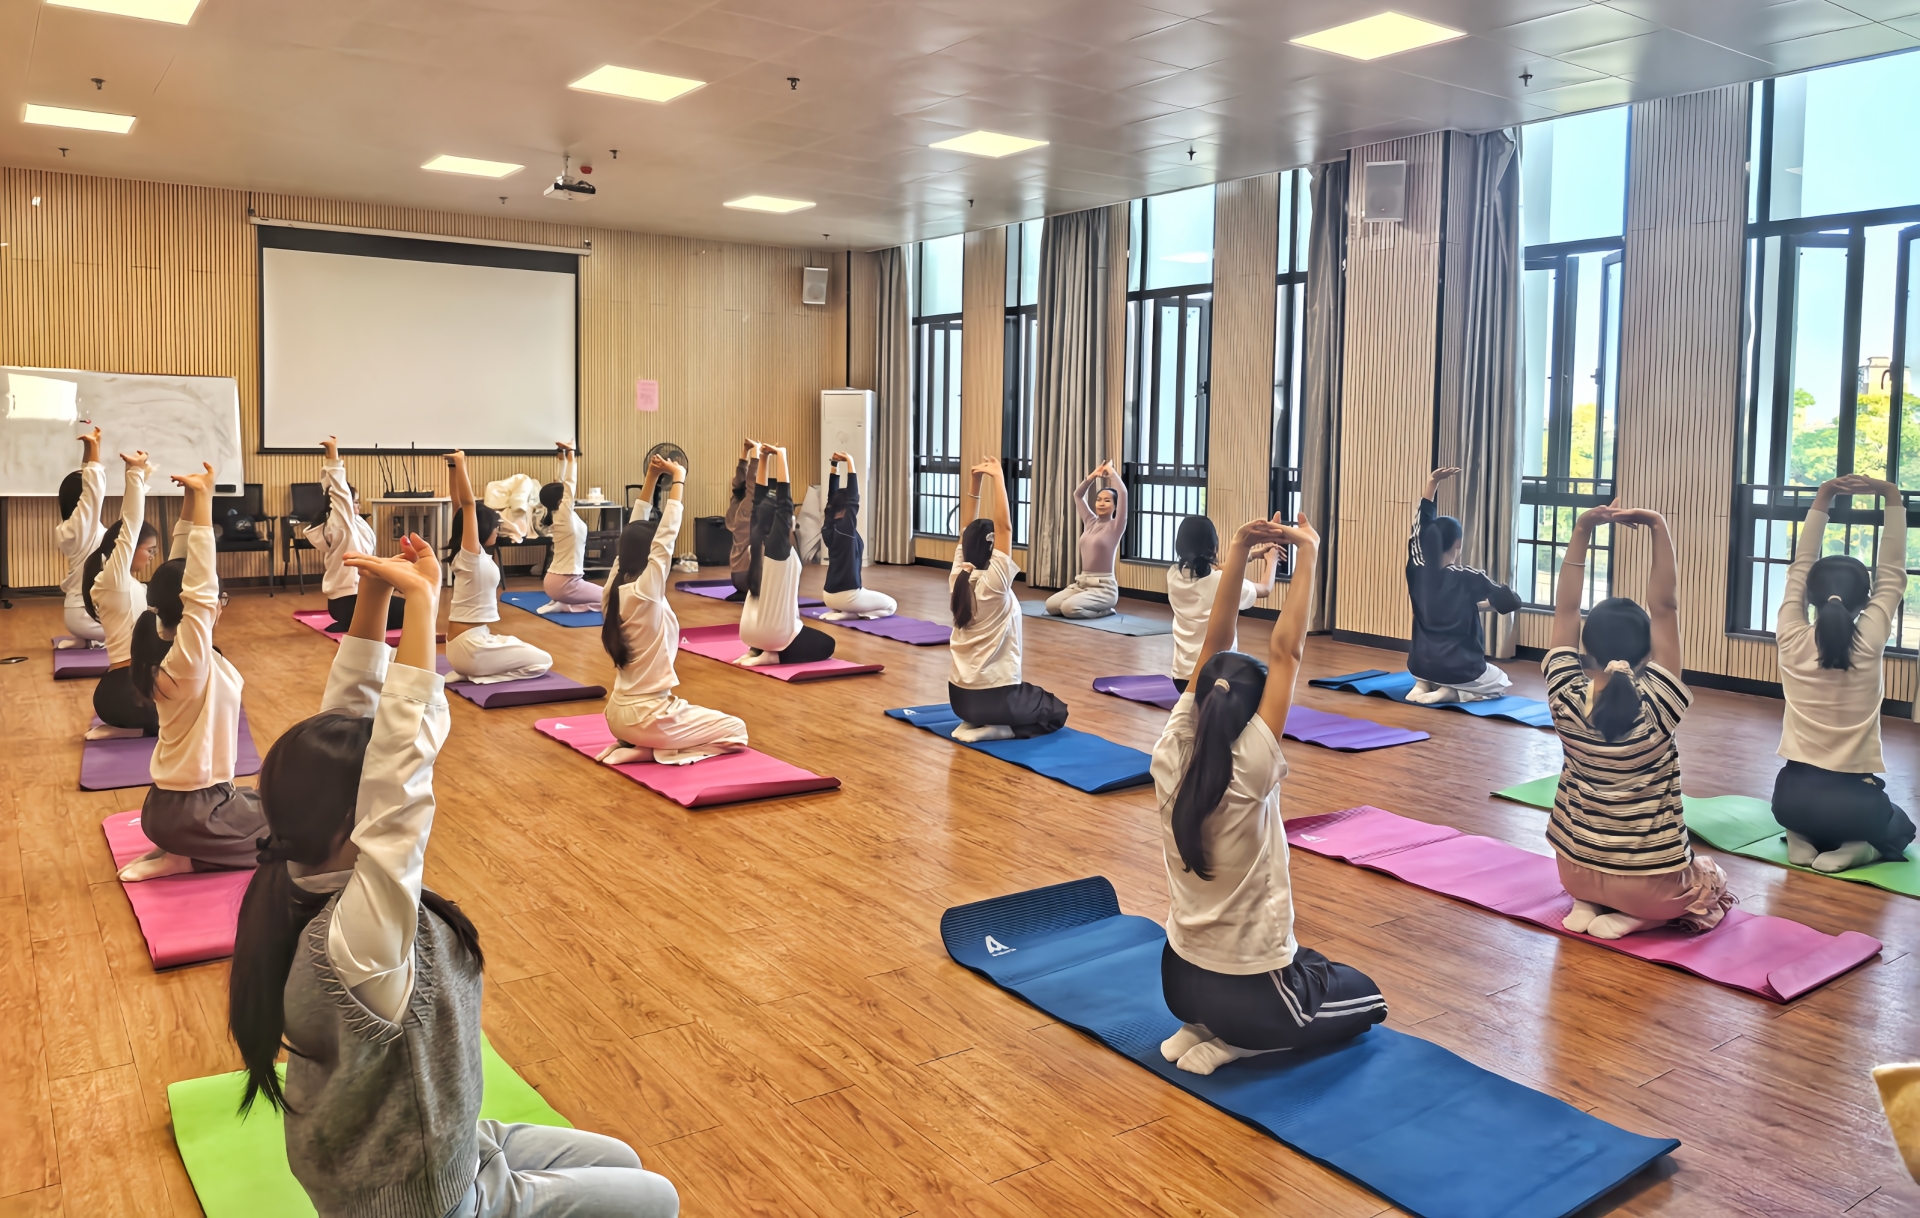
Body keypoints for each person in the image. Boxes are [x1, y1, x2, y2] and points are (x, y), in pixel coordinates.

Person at [226, 538, 680, 1218]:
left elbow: (349, 729)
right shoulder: (359, 934)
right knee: (657, 1199)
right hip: (417, 1196)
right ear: (360, 815)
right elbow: (401, 771)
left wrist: (377, 596)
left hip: (432, 1137)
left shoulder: (305, 865)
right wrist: (422, 604)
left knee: (621, 1161)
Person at [1153, 510, 1388, 1076]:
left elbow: (1215, 643)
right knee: (1367, 996)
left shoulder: (1169, 751)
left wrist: (1238, 549)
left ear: (1200, 703)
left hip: (1178, 978)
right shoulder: (1251, 767)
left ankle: (1198, 1027)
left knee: (1310, 963)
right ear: (1252, 716)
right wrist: (1309, 550)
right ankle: (1240, 1042)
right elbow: (1288, 652)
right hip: (1249, 996)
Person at [1545, 502, 1734, 939]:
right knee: (1711, 876)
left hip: (1574, 872)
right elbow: (1665, 607)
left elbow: (1566, 609)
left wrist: (1582, 530)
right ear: (1648, 651)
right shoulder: (1659, 702)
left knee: (1598, 870)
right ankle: (1639, 917)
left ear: (1584, 648)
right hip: (1649, 887)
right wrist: (1658, 527)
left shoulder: (1564, 695)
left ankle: (1588, 904)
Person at [118, 462, 270, 882]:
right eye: (219, 597)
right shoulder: (189, 661)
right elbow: (199, 590)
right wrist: (205, 500)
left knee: (272, 803)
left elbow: (180, 574)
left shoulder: (167, 647)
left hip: (175, 807)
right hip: (195, 814)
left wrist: (192, 499)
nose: (219, 603)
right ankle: (187, 858)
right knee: (291, 834)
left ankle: (179, 849)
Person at [1772, 473, 1917, 871]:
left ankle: (1799, 838)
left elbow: (1798, 568)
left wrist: (1823, 497)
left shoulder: (1790, 636)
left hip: (1789, 800)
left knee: (1811, 811)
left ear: (1809, 596)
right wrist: (1891, 495)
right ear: (1866, 600)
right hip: (1854, 805)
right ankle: (1859, 848)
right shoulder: (1869, 641)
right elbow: (1893, 572)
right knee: (1901, 825)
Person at [598, 454, 749, 766]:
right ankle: (652, 750)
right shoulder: (646, 592)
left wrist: (652, 479)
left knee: (692, 716)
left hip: (616, 715)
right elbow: (666, 538)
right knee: (736, 731)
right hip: (648, 717)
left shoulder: (612, 590)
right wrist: (678, 478)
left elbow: (632, 531)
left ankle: (639, 744)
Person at [947, 457, 1068, 741]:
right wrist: (999, 478)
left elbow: (967, 530)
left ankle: (972, 722)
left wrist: (976, 483)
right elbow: (1005, 528)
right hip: (995, 699)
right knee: (1056, 711)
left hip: (959, 700)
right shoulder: (995, 585)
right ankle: (1001, 729)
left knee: (1031, 696)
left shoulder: (958, 578)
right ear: (992, 549)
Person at [1405, 466, 1522, 703]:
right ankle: (1451, 692)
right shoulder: (1469, 577)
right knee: (1500, 681)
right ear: (1458, 544)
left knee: (1428, 670)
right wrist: (1485, 603)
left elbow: (1419, 525)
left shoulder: (1415, 567)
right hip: (1460, 669)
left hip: (1419, 663)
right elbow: (1511, 602)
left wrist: (1432, 483)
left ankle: (1421, 685)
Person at [443, 450, 553, 684]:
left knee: (516, 643)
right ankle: (481, 676)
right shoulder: (471, 556)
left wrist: (452, 469)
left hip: (465, 643)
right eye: (495, 526)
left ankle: (472, 670)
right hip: (471, 647)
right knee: (544, 661)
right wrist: (461, 463)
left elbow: (458, 506)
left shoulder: (466, 555)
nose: (497, 530)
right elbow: (467, 505)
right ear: (483, 529)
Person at [82, 450, 162, 737]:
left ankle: (129, 730)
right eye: (150, 550)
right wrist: (135, 475)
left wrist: (143, 479)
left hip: (128, 687)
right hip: (126, 691)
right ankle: (130, 729)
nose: (152, 557)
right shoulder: (112, 580)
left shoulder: (127, 583)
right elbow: (130, 526)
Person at [737, 444, 837, 667]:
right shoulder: (778, 547)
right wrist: (781, 455)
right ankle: (772, 655)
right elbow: (784, 503)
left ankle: (755, 650)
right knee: (827, 644)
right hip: (773, 634)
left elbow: (758, 500)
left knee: (804, 632)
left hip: (748, 630)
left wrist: (764, 458)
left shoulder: (756, 540)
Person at [1167, 515, 1275, 692]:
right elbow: (1265, 588)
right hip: (1215, 682)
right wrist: (1272, 560)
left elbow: (1216, 569)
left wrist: (1254, 554)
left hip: (1181, 679)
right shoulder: (1221, 582)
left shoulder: (1172, 574)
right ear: (1214, 546)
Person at [307, 437, 402, 631]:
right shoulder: (342, 524)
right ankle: (349, 622)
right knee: (412, 612)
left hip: (358, 597)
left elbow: (329, 489)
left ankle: (349, 623)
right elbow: (338, 492)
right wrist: (333, 456)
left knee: (411, 608)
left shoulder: (355, 523)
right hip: (348, 601)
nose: (358, 506)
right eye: (355, 502)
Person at [1045, 461, 1128, 619]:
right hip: (1081, 584)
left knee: (1069, 609)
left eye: (1107, 500)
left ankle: (1105, 611)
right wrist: (1093, 475)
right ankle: (1083, 603)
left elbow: (1123, 493)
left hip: (1104, 588)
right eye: (1099, 499)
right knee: (1051, 606)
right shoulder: (1090, 521)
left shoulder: (1116, 526)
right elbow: (1077, 495)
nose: (1101, 503)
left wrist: (1111, 472)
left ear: (1116, 506)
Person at [820, 450, 896, 621]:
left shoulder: (829, 526)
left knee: (866, 594)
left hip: (828, 595)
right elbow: (853, 499)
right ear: (846, 508)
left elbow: (831, 498)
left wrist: (834, 466)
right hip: (847, 596)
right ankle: (855, 613)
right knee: (891, 605)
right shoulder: (845, 528)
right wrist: (850, 462)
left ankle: (846, 611)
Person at [55, 427, 108, 648]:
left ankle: (85, 641)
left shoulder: (70, 528)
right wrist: (95, 449)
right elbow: (93, 490)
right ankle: (95, 639)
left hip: (76, 612)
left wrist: (89, 448)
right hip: (87, 615)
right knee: (142, 622)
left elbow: (89, 489)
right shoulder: (82, 527)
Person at [539, 441, 601, 615]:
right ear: (562, 499)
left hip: (554, 581)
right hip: (566, 583)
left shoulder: (559, 514)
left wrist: (562, 457)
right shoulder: (564, 515)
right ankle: (565, 606)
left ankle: (559, 602)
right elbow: (569, 483)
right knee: (612, 598)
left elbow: (560, 482)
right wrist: (572, 454)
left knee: (609, 597)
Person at [725, 438, 762, 602]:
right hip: (749, 577)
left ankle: (742, 592)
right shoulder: (747, 510)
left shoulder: (734, 507)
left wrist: (745, 451)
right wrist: (756, 452)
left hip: (736, 577)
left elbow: (738, 482)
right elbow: (753, 480)